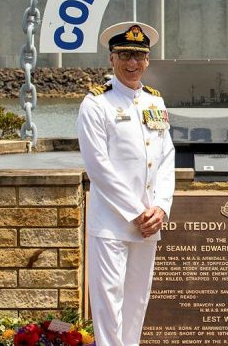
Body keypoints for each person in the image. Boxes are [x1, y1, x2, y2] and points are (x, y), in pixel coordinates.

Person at [77, 21, 175, 346]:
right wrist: (137, 213)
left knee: (137, 302)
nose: (132, 63)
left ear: (147, 60)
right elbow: (98, 167)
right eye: (124, 55)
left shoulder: (154, 102)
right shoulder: (96, 104)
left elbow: (165, 157)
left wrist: (160, 207)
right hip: (112, 223)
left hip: (148, 222)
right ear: (111, 58)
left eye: (138, 55)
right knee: (108, 306)